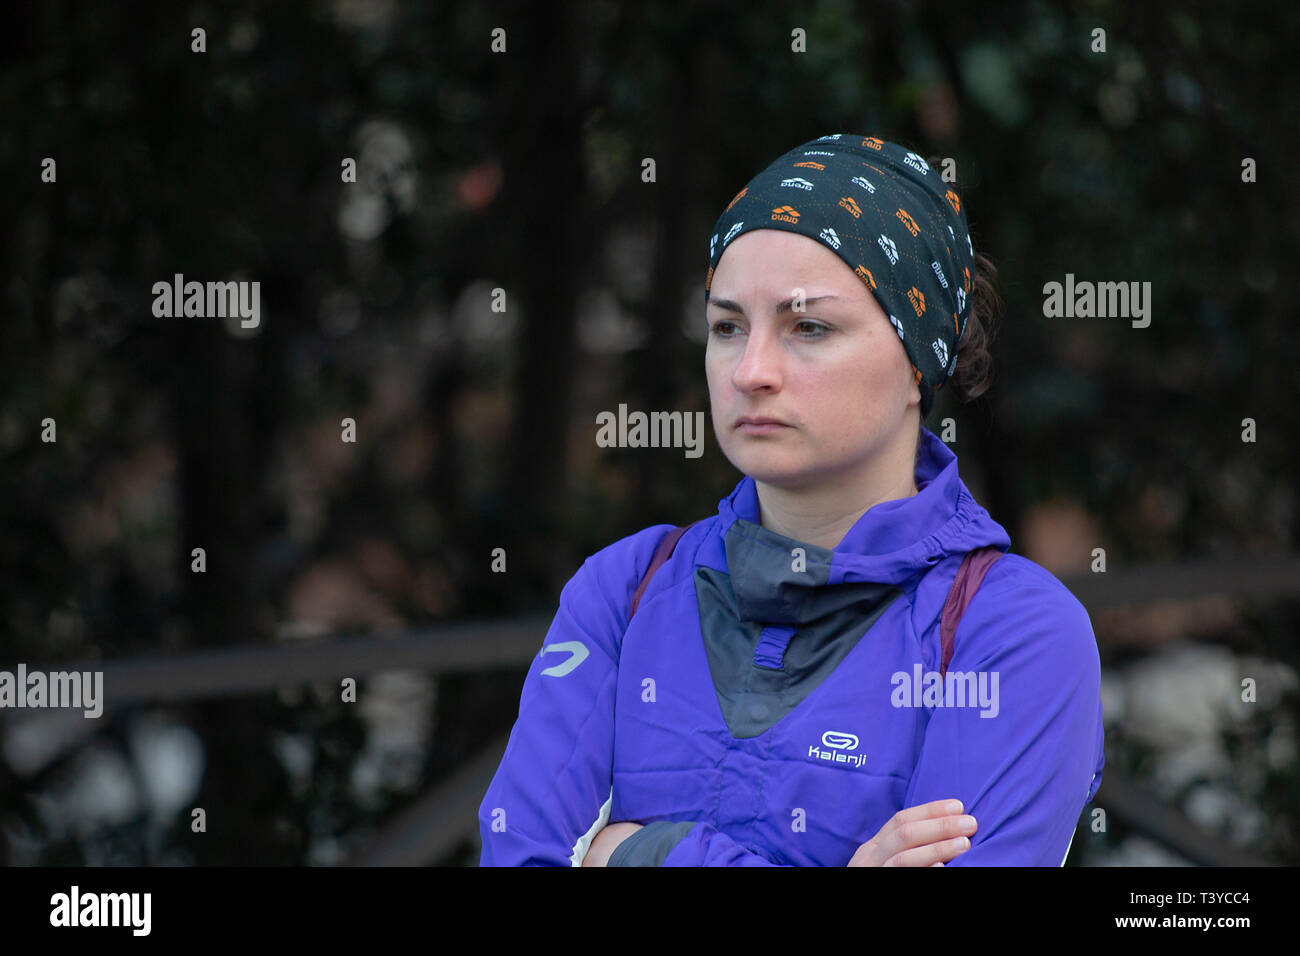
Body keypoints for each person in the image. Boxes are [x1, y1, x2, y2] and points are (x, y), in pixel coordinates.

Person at [478, 134, 1105, 866]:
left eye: (808, 327)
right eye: (726, 326)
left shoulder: (1013, 631)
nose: (750, 371)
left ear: (917, 362)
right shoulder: (624, 590)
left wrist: (633, 853)